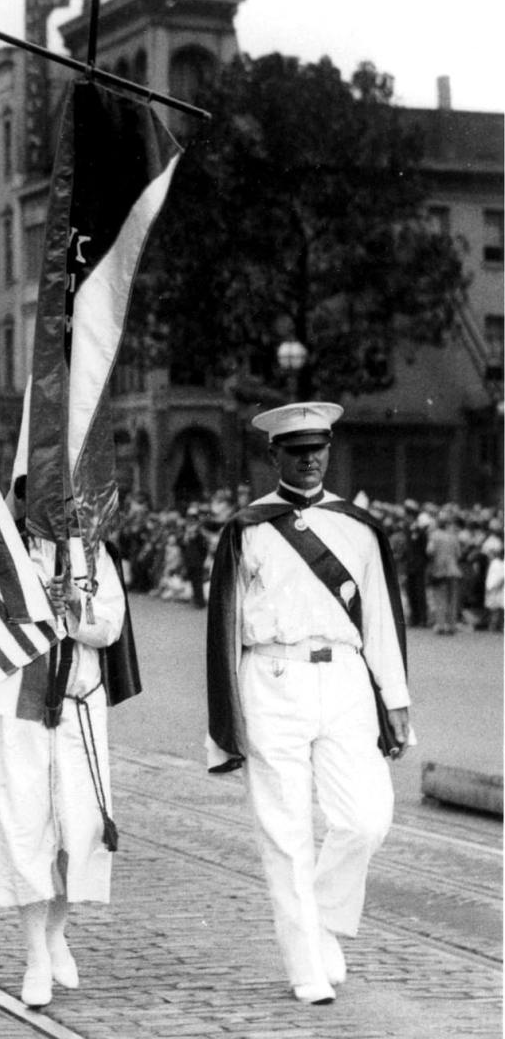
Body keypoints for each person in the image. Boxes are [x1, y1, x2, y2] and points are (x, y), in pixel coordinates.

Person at [206, 402, 412, 1005]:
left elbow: (380, 622)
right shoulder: (249, 530)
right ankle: (304, 963)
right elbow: (224, 626)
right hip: (272, 678)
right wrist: (227, 722)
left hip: (345, 679)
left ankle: (321, 917)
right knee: (285, 829)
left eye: (317, 448)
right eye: (296, 451)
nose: (309, 459)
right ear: (275, 457)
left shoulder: (358, 528)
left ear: (329, 450)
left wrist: (395, 702)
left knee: (366, 818)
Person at [0, 477, 137, 1010]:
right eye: (43, 500)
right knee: (27, 829)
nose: (57, 512)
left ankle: (58, 929)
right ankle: (36, 954)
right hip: (16, 706)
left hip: (77, 705)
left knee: (78, 828)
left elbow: (108, 627)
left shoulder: (94, 554)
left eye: (64, 502)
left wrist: (73, 610)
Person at [425, 510, 464, 635]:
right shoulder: (453, 536)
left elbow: (430, 551)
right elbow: (459, 554)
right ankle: (452, 625)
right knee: (453, 599)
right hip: (454, 571)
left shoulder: (434, 535)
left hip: (439, 570)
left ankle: (441, 625)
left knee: (440, 599)